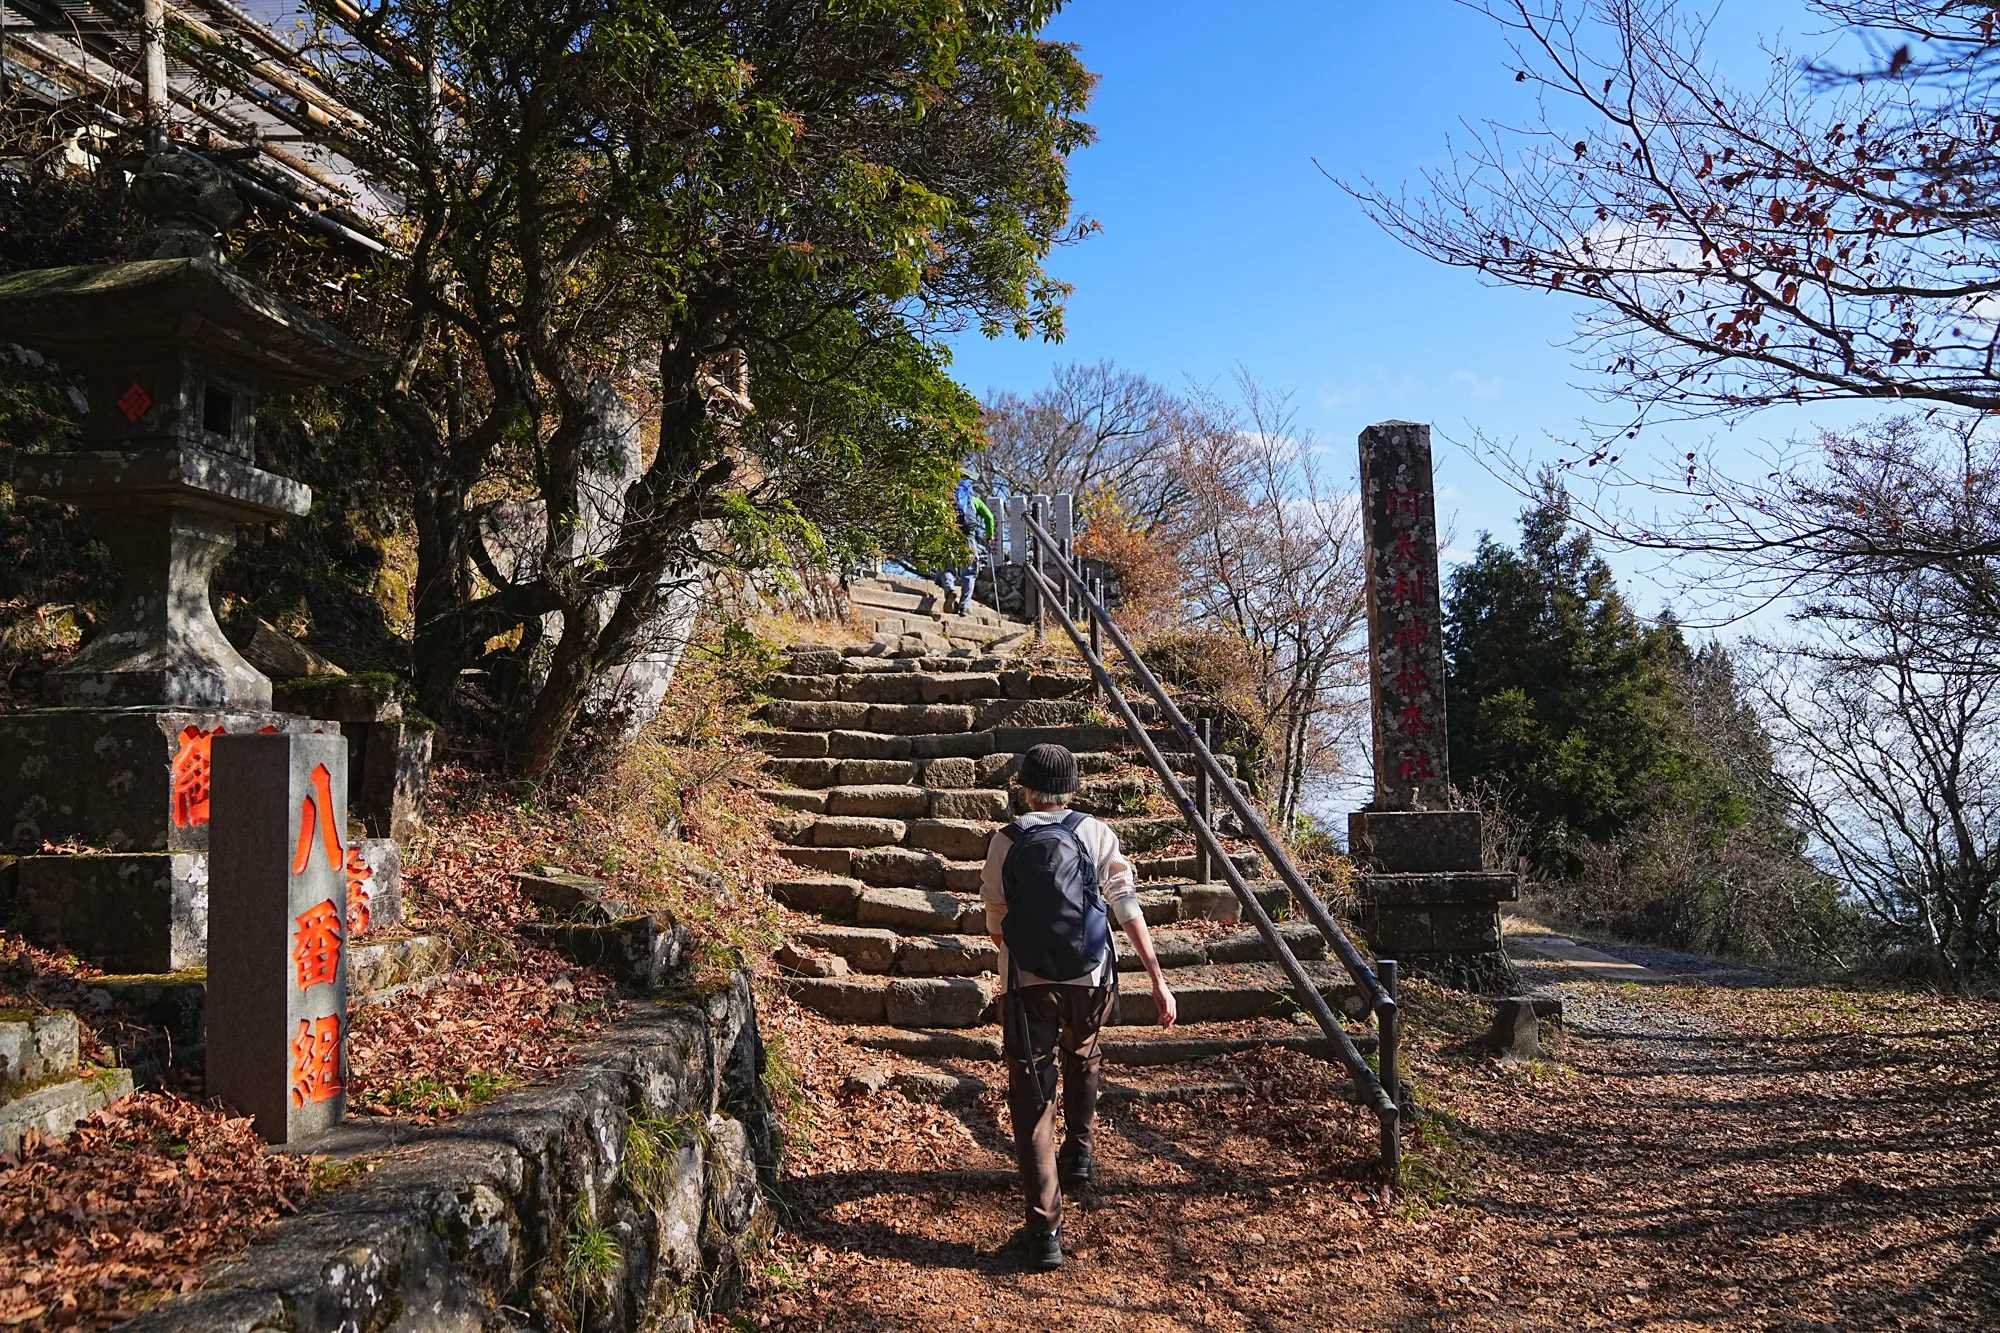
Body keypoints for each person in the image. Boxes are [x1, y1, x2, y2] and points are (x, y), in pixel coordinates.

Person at [982, 743, 1178, 1270]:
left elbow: (996, 923)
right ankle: (1081, 1151)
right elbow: (1126, 906)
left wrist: (1029, 953)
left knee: (1032, 1096)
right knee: (1084, 1056)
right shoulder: (1096, 833)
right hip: (1090, 978)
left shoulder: (1006, 839)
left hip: (1026, 986)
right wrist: (1158, 980)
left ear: (1023, 787)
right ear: (1073, 787)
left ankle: (1044, 1231)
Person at [947, 474, 997, 615]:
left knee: (947, 566)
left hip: (951, 535)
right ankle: (965, 606)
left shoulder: (950, 499)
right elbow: (989, 517)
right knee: (969, 571)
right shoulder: (974, 501)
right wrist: (989, 535)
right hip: (969, 536)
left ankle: (949, 590)